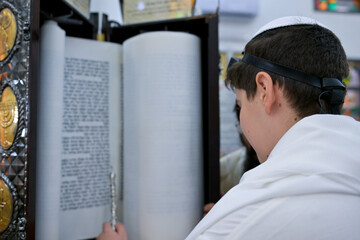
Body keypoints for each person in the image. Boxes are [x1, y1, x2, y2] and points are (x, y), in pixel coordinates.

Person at [98, 16, 360, 240]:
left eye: (240, 105)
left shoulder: (250, 214)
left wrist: (232, 221)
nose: (242, 121)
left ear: (265, 90)